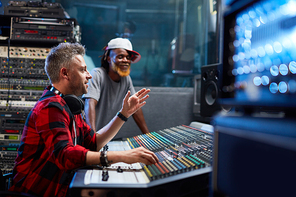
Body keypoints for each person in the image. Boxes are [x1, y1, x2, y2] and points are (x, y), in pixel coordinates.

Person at [9, 42, 158, 197]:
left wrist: (123, 114)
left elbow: (93, 143)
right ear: (65, 73)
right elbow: (65, 156)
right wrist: (121, 156)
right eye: (82, 70)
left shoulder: (70, 105)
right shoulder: (50, 107)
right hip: (37, 192)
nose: (89, 75)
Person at [83, 38, 150, 137]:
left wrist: (148, 136)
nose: (125, 60)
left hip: (106, 137)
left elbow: (135, 109)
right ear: (109, 58)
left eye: (128, 57)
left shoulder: (126, 79)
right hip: (90, 136)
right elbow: (90, 104)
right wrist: (91, 138)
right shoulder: (97, 74)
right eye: (120, 57)